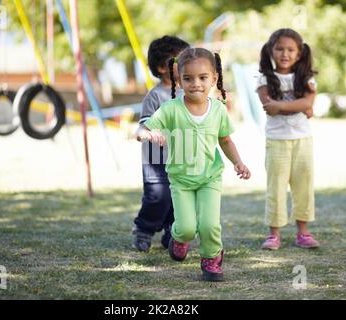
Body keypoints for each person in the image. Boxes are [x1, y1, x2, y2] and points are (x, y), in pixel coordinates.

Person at [136, 47, 251, 282]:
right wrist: (147, 135)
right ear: (179, 80)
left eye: (202, 78)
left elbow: (225, 140)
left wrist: (238, 162)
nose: (195, 83)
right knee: (187, 227)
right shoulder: (170, 109)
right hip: (181, 179)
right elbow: (141, 129)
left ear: (214, 79)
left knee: (209, 225)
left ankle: (211, 258)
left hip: (210, 177)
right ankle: (179, 238)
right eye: (187, 78)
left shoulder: (218, 109)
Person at [256, 28, 319, 250]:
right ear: (271, 51)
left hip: (303, 140)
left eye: (291, 49)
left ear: (299, 53)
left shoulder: (306, 77)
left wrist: (282, 105)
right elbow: (269, 107)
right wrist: (297, 106)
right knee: (276, 186)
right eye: (279, 48)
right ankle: (274, 234)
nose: (285, 53)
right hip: (277, 141)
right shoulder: (264, 78)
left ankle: (303, 232)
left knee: (304, 185)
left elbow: (307, 104)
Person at [132, 35, 190, 252]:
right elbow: (144, 124)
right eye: (179, 59)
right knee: (158, 197)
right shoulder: (155, 95)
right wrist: (151, 132)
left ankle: (172, 233)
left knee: (179, 199)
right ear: (161, 67)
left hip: (183, 156)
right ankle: (144, 229)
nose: (185, 64)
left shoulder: (191, 90)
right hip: (157, 159)